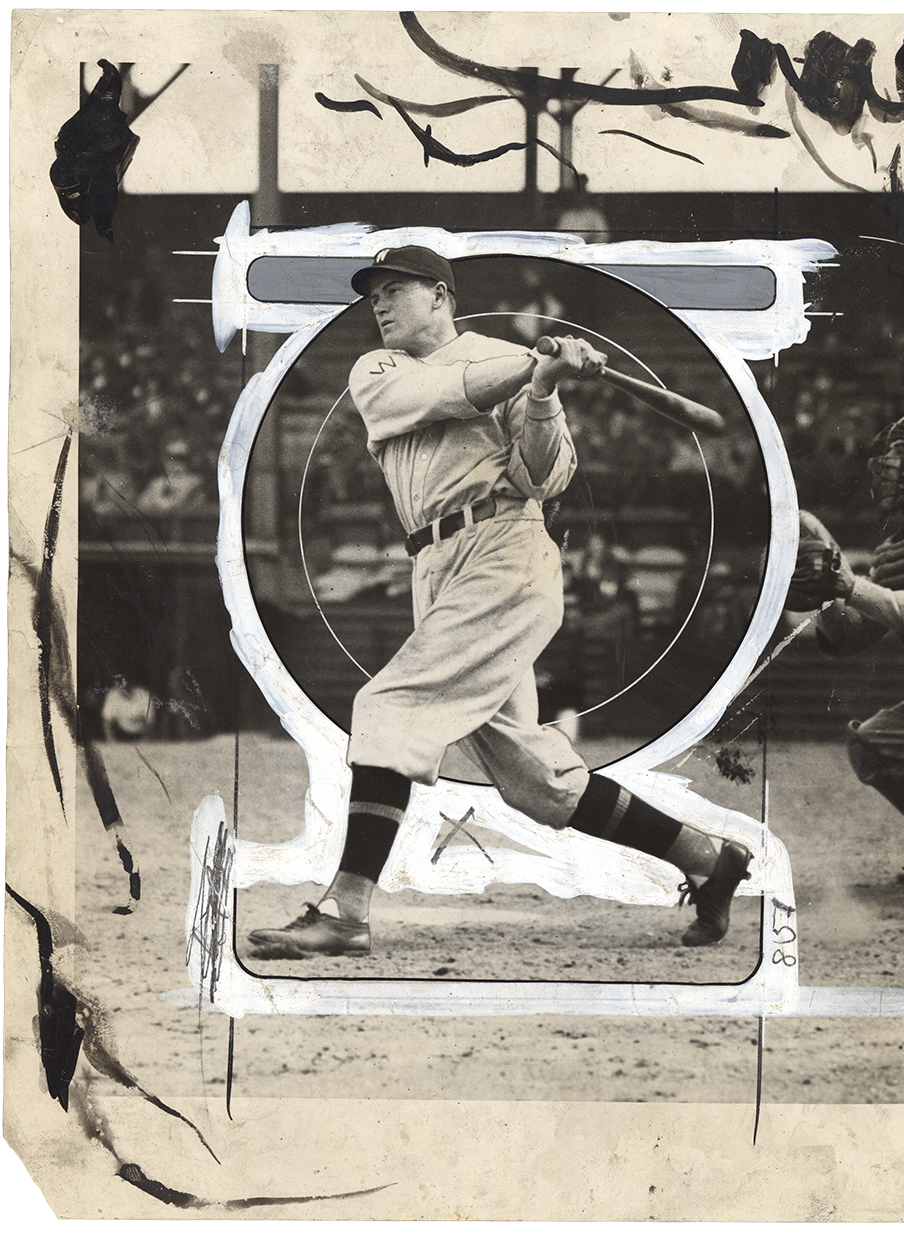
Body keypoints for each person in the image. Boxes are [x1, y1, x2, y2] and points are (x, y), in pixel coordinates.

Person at [248, 246, 752, 959]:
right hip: (434, 564)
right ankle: (707, 858)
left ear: (442, 297)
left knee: (389, 708)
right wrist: (532, 368)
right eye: (374, 294)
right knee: (535, 782)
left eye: (397, 289)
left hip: (504, 552)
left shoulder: (509, 359)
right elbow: (432, 398)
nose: (380, 304)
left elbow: (547, 479)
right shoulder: (378, 369)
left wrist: (544, 395)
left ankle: (347, 910)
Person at [787, 414, 904, 883]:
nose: (889, 472)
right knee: (870, 746)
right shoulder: (899, 548)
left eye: (903, 462)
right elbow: (853, 636)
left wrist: (850, 583)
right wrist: (823, 588)